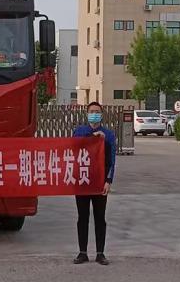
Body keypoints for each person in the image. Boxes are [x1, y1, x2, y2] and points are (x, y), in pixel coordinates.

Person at [72, 101, 116, 265]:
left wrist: (108, 181)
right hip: (82, 181)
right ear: (87, 113)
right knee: (82, 217)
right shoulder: (79, 132)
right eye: (92, 111)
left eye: (97, 112)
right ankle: (82, 252)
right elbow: (72, 150)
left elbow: (111, 160)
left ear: (102, 115)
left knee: (100, 218)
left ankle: (100, 253)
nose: (94, 114)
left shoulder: (108, 135)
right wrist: (91, 138)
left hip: (99, 183)